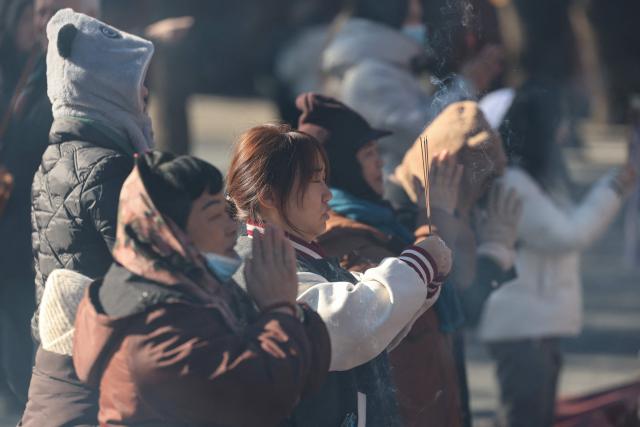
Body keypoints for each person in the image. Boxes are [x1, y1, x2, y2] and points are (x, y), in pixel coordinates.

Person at [69, 151, 330, 426]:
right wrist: (280, 308)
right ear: (169, 233)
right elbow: (261, 399)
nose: (232, 227)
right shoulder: (152, 328)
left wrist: (291, 314)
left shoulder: (204, 290)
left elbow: (304, 378)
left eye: (226, 211)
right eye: (213, 215)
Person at [227, 123, 453, 426]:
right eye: (315, 180)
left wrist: (422, 279)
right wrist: (418, 264)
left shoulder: (288, 251)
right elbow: (343, 325)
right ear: (269, 196)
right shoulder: (257, 257)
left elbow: (368, 325)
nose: (327, 195)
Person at [20, 8, 153, 425]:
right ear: (108, 91)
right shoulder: (108, 166)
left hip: (60, 347)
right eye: (136, 83)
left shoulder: (57, 155)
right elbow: (142, 267)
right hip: (99, 356)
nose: (146, 93)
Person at [477, 83, 637, 427]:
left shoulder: (533, 177)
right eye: (558, 123)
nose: (564, 132)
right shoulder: (514, 183)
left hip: (534, 324)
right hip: (523, 327)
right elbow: (568, 234)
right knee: (525, 418)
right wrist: (615, 188)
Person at [388, 100, 522, 427]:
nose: (485, 190)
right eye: (483, 177)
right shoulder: (403, 216)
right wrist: (494, 253)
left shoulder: (450, 207)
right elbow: (459, 306)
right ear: (449, 166)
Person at [321, 0, 503, 175]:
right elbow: (424, 139)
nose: (421, 24)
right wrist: (467, 85)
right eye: (413, 17)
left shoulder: (391, 67)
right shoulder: (368, 78)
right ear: (391, 18)